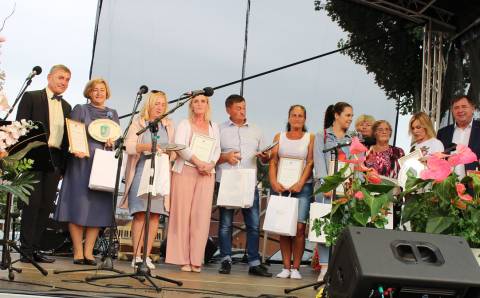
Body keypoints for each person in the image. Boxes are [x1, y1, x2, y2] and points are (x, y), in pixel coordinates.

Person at [55, 78, 119, 265]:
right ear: (89, 92)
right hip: (81, 162)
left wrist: (112, 143)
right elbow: (72, 133)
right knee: (78, 206)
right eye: (95, 90)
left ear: (107, 93)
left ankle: (89, 252)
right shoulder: (80, 109)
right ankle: (77, 251)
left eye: (102, 90)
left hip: (102, 164)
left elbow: (114, 138)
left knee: (97, 208)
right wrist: (77, 148)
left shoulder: (112, 113)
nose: (99, 93)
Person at [16, 64, 72, 263]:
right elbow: (20, 127)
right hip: (34, 155)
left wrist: (64, 166)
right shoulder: (32, 97)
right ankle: (25, 250)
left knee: (46, 205)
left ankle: (35, 248)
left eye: (67, 79)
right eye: (60, 77)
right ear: (49, 77)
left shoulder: (67, 107)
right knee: (32, 203)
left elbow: (67, 139)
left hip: (56, 158)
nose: (63, 82)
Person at [216, 94, 272, 277]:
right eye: (238, 108)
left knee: (254, 224)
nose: (242, 111)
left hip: (249, 182)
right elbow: (211, 156)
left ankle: (254, 262)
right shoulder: (218, 129)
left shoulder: (256, 130)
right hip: (226, 181)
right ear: (228, 110)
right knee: (225, 224)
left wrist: (265, 157)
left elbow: (266, 157)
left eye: (244, 107)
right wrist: (225, 157)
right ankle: (225, 259)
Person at [119, 91, 174, 270]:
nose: (160, 107)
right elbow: (128, 146)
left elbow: (173, 152)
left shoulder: (168, 125)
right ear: (149, 104)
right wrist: (147, 146)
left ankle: (147, 256)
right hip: (141, 171)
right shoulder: (138, 123)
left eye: (163, 104)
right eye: (157, 103)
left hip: (161, 173)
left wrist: (169, 152)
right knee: (141, 214)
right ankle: (136, 256)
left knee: (155, 216)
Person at [166, 94, 220, 273]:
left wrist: (210, 164)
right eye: (196, 101)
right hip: (186, 171)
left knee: (201, 217)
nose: (199, 104)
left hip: (206, 173)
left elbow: (217, 149)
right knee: (182, 216)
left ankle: (196, 259)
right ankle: (183, 259)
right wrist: (198, 162)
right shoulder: (184, 124)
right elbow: (180, 146)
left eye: (203, 101)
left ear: (207, 105)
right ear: (191, 105)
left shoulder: (214, 126)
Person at [269, 104, 314, 279]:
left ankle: (296, 268)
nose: (297, 118)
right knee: (283, 227)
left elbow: (310, 162)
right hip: (280, 186)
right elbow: (273, 161)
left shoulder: (310, 138)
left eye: (300, 115)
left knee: (300, 227)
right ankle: (285, 267)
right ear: (288, 118)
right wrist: (273, 182)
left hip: (302, 187)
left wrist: (300, 182)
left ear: (304, 119)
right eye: (294, 115)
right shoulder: (278, 136)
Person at [313, 101, 354, 279]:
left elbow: (356, 164)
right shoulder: (321, 136)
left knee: (342, 228)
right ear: (336, 115)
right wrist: (326, 184)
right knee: (324, 227)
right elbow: (319, 161)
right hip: (326, 189)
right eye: (347, 115)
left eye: (352, 116)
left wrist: (353, 187)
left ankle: (338, 267)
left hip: (346, 190)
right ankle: (324, 267)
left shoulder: (353, 139)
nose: (350, 119)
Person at [437, 95, 480, 178]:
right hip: (449, 185)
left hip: (476, 185)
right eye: (456, 108)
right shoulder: (443, 133)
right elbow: (439, 159)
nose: (460, 110)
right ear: (452, 111)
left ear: (473, 108)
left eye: (464, 107)